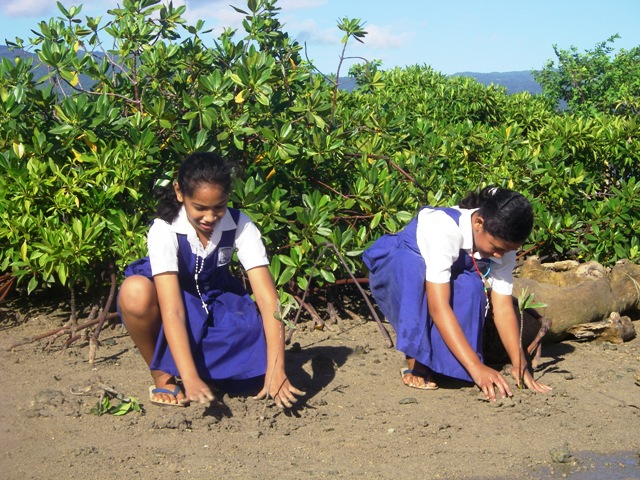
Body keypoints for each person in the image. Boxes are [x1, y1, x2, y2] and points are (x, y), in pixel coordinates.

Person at [118, 152, 303, 408]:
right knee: (134, 292)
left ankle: (206, 373)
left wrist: (276, 369)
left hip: (217, 296)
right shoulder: (164, 228)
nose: (210, 217)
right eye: (200, 208)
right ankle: (163, 375)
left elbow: (267, 298)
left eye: (219, 207)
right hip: (173, 296)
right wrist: (190, 377)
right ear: (180, 193)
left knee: (251, 377)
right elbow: (173, 310)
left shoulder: (241, 224)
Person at [363, 186, 551, 401]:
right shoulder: (445, 229)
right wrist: (476, 367)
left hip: (451, 269)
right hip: (401, 264)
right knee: (412, 270)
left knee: (471, 287)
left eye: (507, 250)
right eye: (496, 247)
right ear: (478, 223)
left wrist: (520, 363)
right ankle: (415, 357)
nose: (500, 255)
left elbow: (502, 307)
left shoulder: (504, 246)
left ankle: (444, 363)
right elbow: (438, 306)